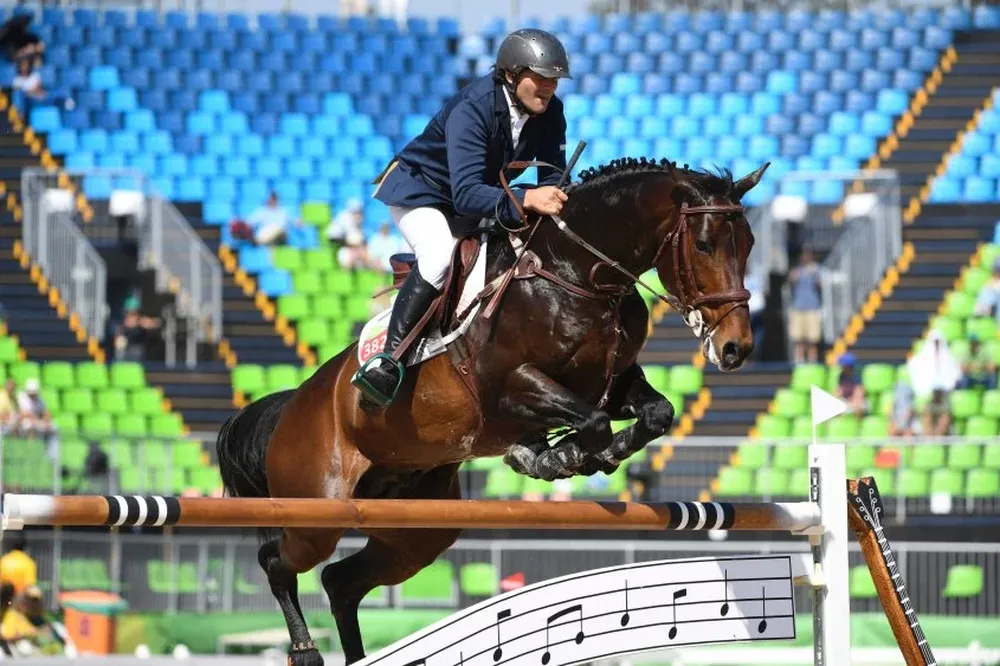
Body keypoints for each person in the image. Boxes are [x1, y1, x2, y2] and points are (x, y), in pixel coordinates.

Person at [352, 28, 572, 408]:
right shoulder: (474, 108)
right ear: (511, 74)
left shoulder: (551, 111)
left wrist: (555, 197)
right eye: (541, 77)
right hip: (422, 192)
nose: (550, 86)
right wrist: (526, 198)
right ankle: (388, 361)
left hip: (476, 199)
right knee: (439, 254)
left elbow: (552, 175)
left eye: (554, 79)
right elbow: (467, 194)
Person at [787, 247, 823, 364]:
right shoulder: (796, 271)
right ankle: (799, 362)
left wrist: (814, 276)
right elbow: (790, 281)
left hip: (812, 308)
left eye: (808, 255)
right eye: (804, 255)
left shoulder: (817, 270)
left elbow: (821, 286)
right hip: (798, 308)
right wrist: (794, 276)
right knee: (799, 339)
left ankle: (812, 362)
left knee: (813, 339)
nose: (806, 257)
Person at [0, 533, 36, 599]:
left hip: (5, 598)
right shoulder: (28, 562)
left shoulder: (4, 560)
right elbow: (29, 585)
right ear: (24, 547)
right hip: (20, 599)